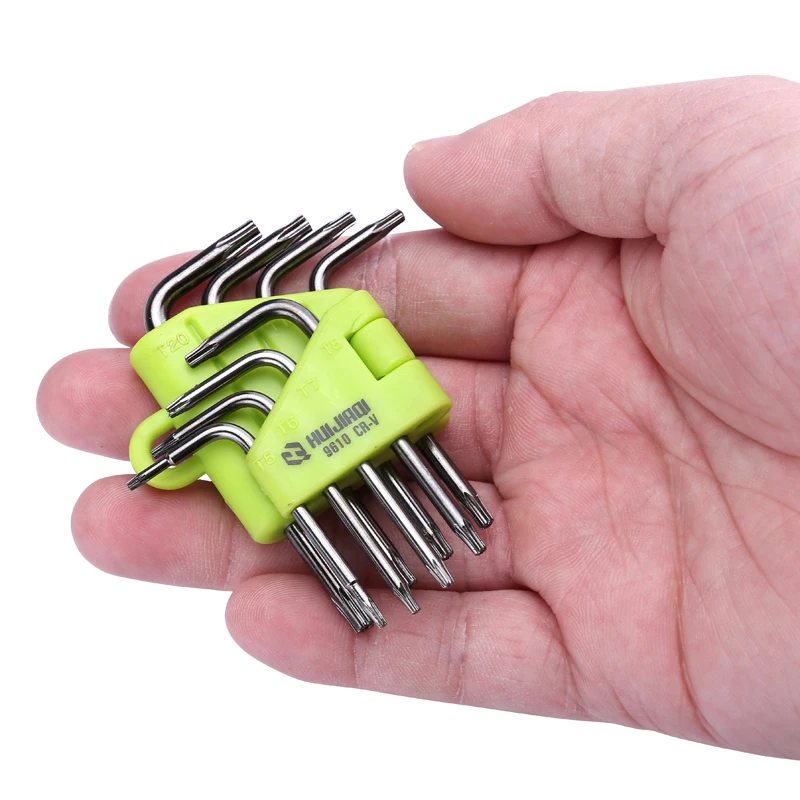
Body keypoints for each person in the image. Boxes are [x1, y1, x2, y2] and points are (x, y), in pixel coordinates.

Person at [37, 76, 800, 759]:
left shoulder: (279, 336)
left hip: (293, 409)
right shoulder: (244, 372)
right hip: (268, 414)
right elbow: (240, 408)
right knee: (249, 405)